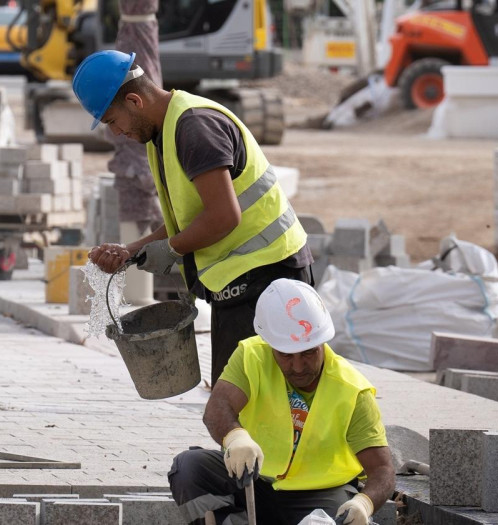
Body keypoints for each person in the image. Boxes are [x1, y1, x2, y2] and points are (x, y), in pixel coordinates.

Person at [72, 50, 312, 385]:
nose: (115, 132)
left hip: (269, 274)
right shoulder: (166, 130)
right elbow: (191, 218)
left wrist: (172, 249)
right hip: (246, 275)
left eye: (113, 121)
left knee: (243, 397)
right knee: (239, 393)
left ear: (134, 101)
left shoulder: (194, 128)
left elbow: (224, 216)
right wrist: (134, 249)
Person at [168, 279, 394, 525]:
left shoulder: (352, 389)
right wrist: (235, 437)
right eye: (285, 355)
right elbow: (217, 408)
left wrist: (364, 503)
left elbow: (382, 470)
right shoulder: (252, 356)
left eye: (308, 353)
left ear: (322, 342)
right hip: (255, 482)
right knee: (188, 467)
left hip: (320, 495)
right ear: (270, 344)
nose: (297, 367)